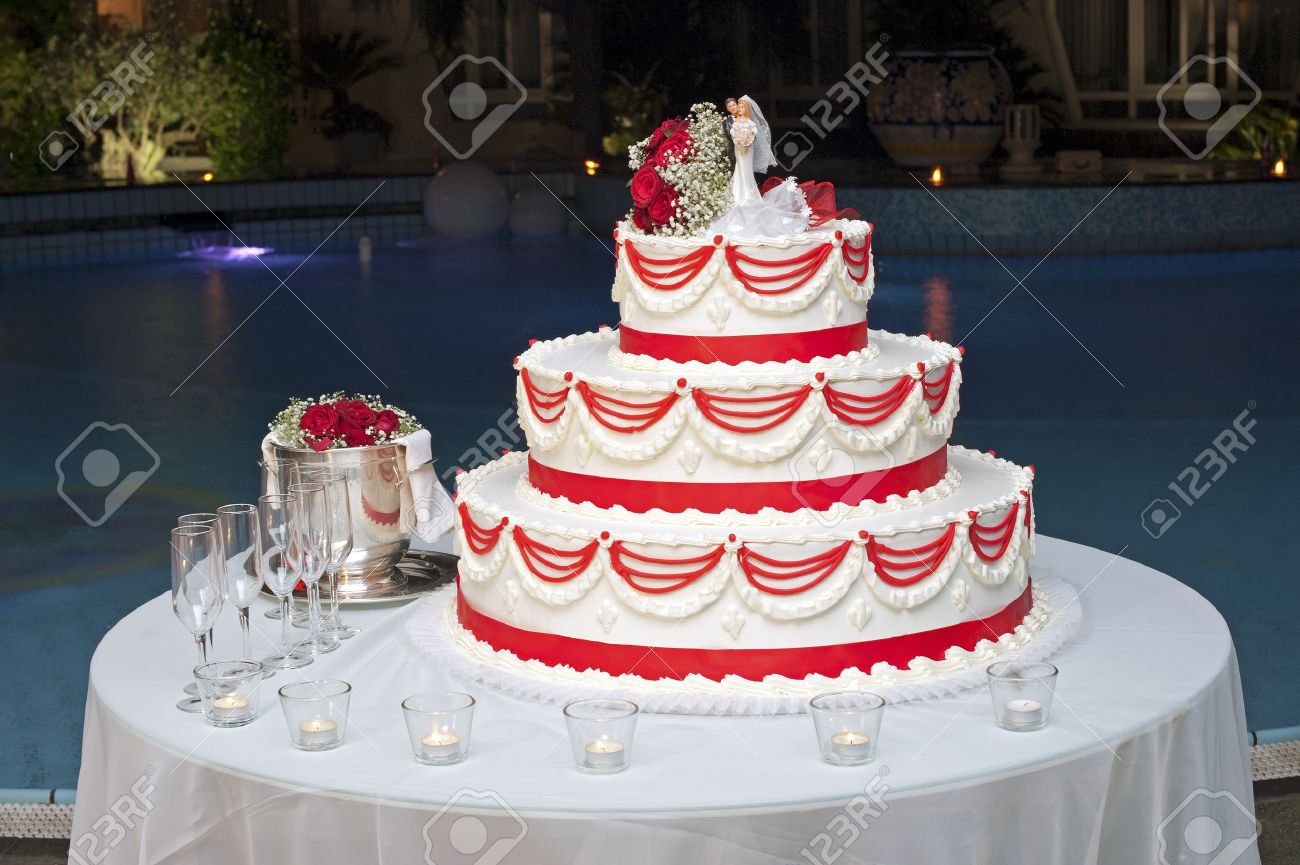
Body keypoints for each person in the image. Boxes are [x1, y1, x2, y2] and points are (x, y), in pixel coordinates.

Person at [711, 95, 807, 237]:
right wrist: (739, 141)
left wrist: (746, 140)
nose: (736, 108)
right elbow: (731, 135)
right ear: (727, 108)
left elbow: (753, 134)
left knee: (747, 171)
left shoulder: (750, 122)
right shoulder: (731, 122)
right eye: (732, 106)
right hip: (738, 150)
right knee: (739, 170)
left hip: (748, 149)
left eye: (738, 106)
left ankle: (749, 197)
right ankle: (737, 197)